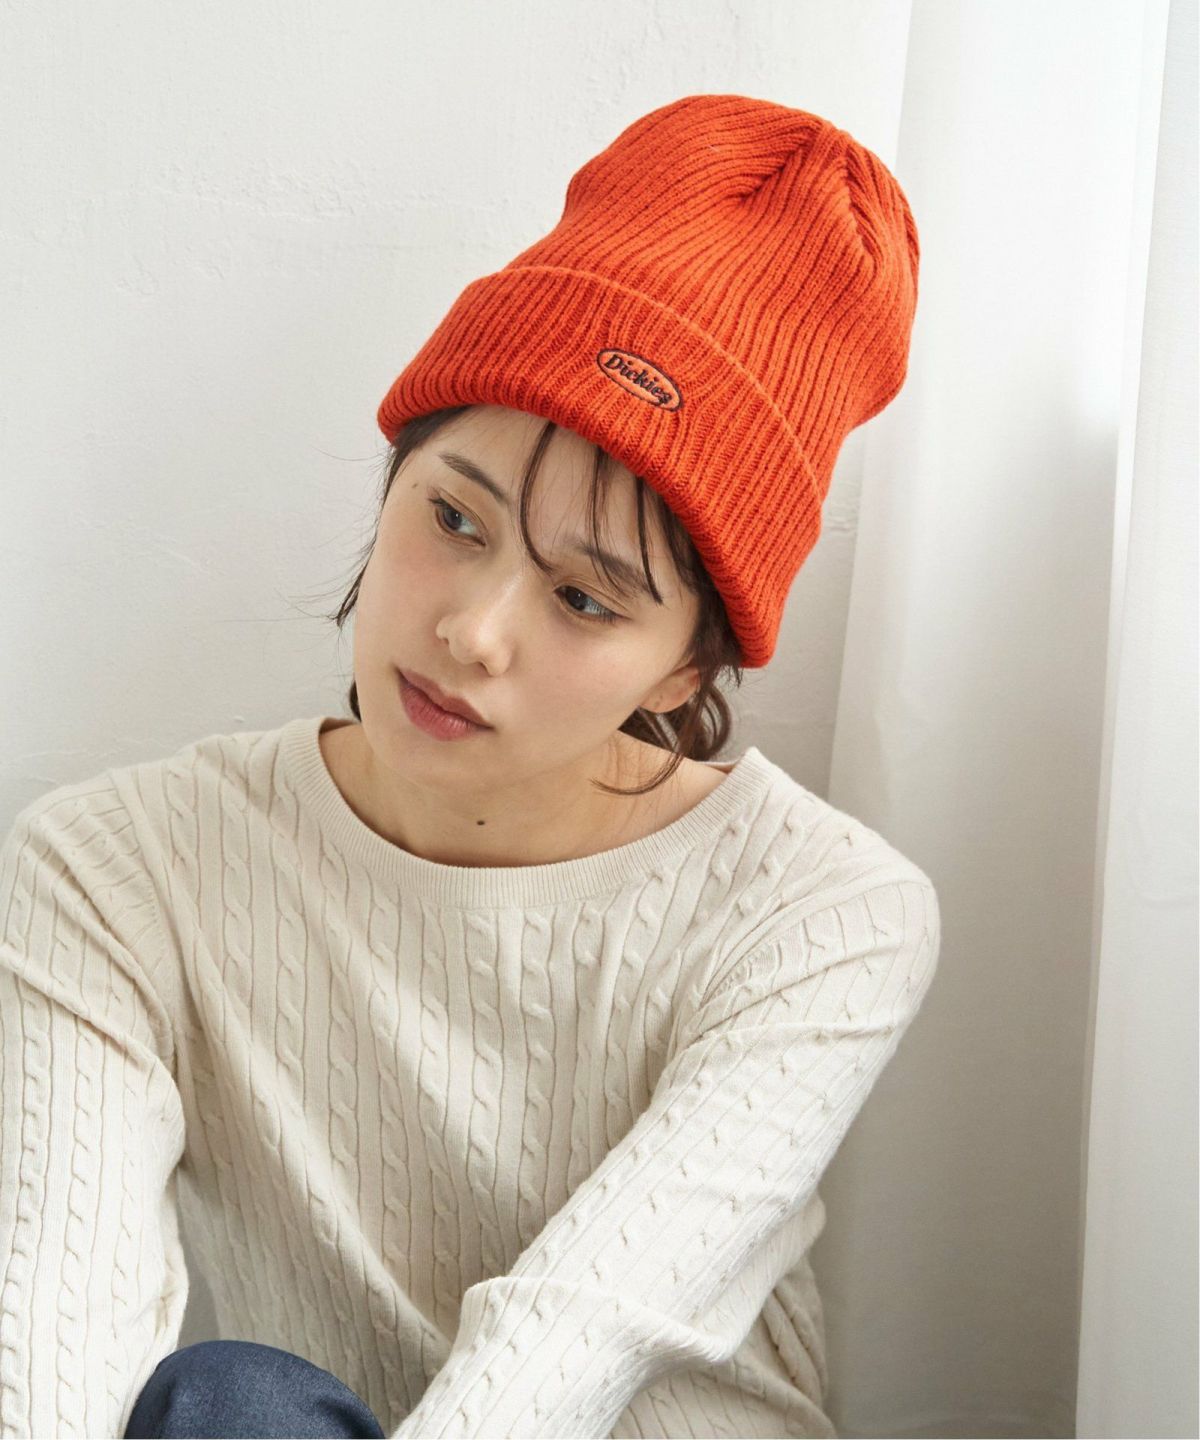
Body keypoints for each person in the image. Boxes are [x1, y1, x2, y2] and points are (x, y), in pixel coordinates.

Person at [0, 93, 939, 1439]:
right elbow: (52, 1334)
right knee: (229, 1405)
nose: (472, 631)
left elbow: (575, 1336)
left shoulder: (820, 912)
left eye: (586, 599)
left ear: (685, 671)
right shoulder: (119, 869)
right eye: (454, 517)